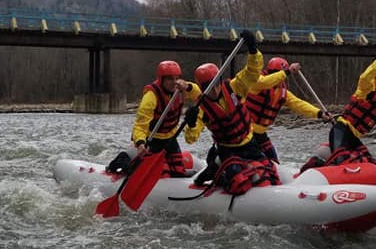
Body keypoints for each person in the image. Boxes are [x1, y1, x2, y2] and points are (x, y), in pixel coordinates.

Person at [184, 30, 280, 193]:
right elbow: (191, 138)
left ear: (220, 81)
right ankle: (217, 172)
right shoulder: (202, 108)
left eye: (214, 84)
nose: (212, 89)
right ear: (201, 87)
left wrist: (252, 49)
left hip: (249, 145)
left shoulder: (235, 87)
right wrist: (191, 123)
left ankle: (220, 169)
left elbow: (252, 72)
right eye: (207, 86)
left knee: (271, 173)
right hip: (227, 150)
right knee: (238, 180)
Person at [244, 57, 333, 162]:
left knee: (273, 160)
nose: (278, 78)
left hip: (260, 133)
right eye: (273, 73)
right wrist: (287, 71)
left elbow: (299, 105)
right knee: (258, 160)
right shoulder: (257, 83)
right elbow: (266, 82)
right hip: (245, 131)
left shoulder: (282, 93)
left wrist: (319, 113)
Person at [122, 60, 199, 176]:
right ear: (161, 79)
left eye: (176, 78)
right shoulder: (151, 96)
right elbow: (140, 125)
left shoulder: (181, 89)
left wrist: (188, 86)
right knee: (163, 172)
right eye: (169, 79)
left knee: (178, 171)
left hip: (170, 139)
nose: (173, 82)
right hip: (153, 140)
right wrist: (141, 143)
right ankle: (125, 161)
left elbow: (199, 94)